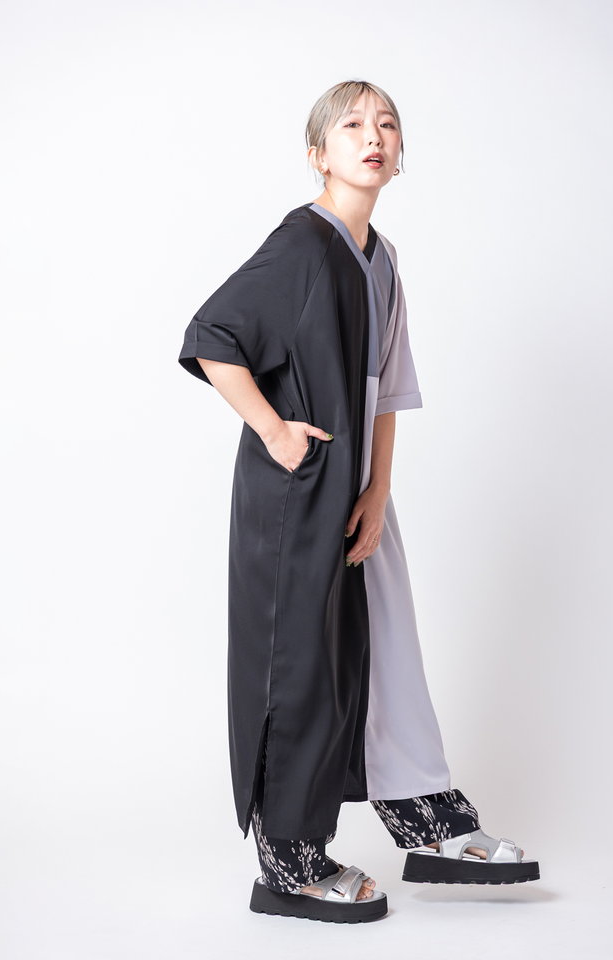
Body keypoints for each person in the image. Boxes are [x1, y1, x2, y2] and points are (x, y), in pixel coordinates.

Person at [177, 79, 539, 923]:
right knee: (302, 664)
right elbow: (212, 335)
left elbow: (385, 388)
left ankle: (425, 815)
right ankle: (290, 860)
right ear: (319, 154)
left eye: (387, 125)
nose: (373, 136)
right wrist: (275, 432)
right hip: (297, 490)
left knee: (382, 647)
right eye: (352, 125)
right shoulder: (303, 244)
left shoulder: (381, 257)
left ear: (399, 154)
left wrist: (380, 488)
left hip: (354, 488)